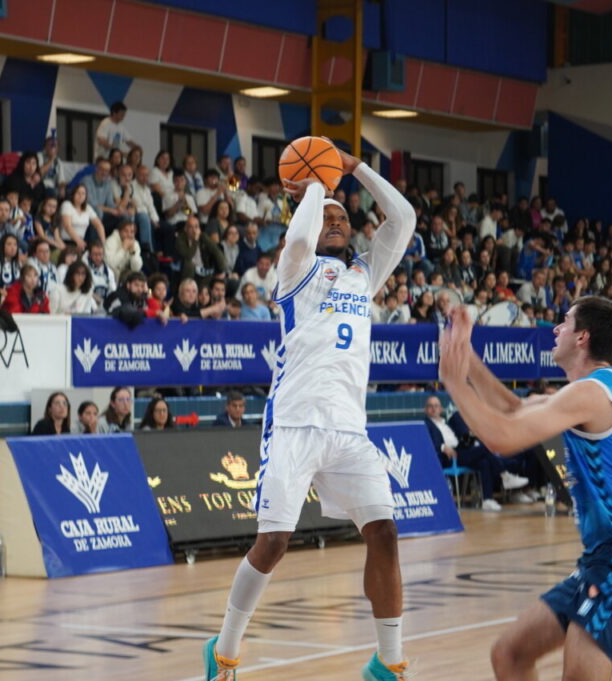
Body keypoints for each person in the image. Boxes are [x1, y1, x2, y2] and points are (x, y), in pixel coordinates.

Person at [205, 143, 416, 681]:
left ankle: (388, 663)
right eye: (328, 217)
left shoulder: (364, 277)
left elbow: (403, 217)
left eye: (343, 217)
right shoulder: (293, 271)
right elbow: (298, 235)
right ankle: (223, 651)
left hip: (348, 430)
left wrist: (354, 167)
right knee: (274, 543)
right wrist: (316, 184)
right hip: (295, 423)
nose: (337, 222)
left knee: (385, 534)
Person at [437, 297, 612, 681]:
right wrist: (466, 356)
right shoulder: (592, 390)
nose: (556, 329)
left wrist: (452, 382)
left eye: (564, 322)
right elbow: (514, 409)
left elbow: (502, 437)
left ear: (582, 337)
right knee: (509, 655)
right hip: (608, 555)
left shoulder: (590, 394)